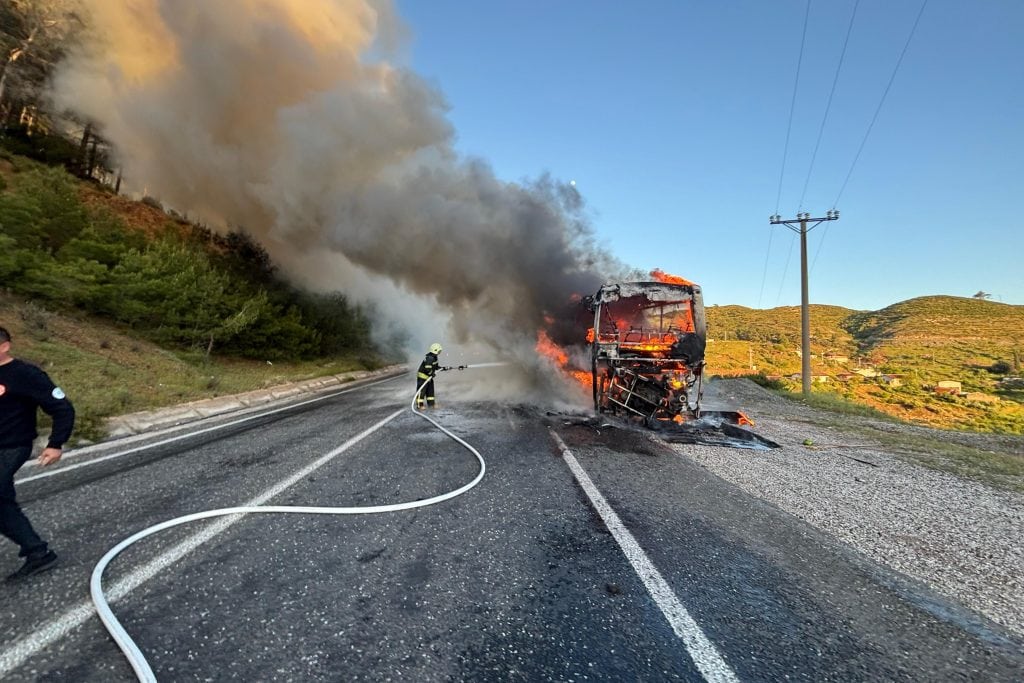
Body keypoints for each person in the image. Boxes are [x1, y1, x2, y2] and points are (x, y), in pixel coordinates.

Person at [0, 326, 74, 581]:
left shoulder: (25, 374)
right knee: (2, 502)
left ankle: (37, 551)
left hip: (12, 446)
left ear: (5, 346)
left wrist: (55, 444)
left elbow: (62, 408)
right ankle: (37, 551)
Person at [415, 342, 443, 408]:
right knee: (422, 391)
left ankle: (431, 404)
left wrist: (441, 368)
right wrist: (431, 374)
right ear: (435, 350)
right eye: (439, 351)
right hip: (423, 378)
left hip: (429, 377)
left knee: (430, 391)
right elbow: (427, 369)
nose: (439, 352)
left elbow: (435, 367)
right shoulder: (429, 358)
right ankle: (420, 405)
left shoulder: (434, 357)